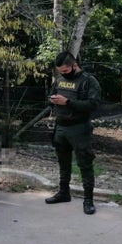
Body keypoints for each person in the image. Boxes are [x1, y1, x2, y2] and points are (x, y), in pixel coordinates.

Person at [45, 51, 101, 215]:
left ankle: (88, 200)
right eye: (60, 72)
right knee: (63, 162)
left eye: (65, 71)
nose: (63, 74)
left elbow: (93, 104)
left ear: (74, 65)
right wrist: (52, 100)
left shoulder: (88, 81)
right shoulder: (59, 80)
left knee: (85, 164)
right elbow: (49, 96)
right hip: (61, 127)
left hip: (79, 128)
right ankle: (64, 193)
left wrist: (68, 102)